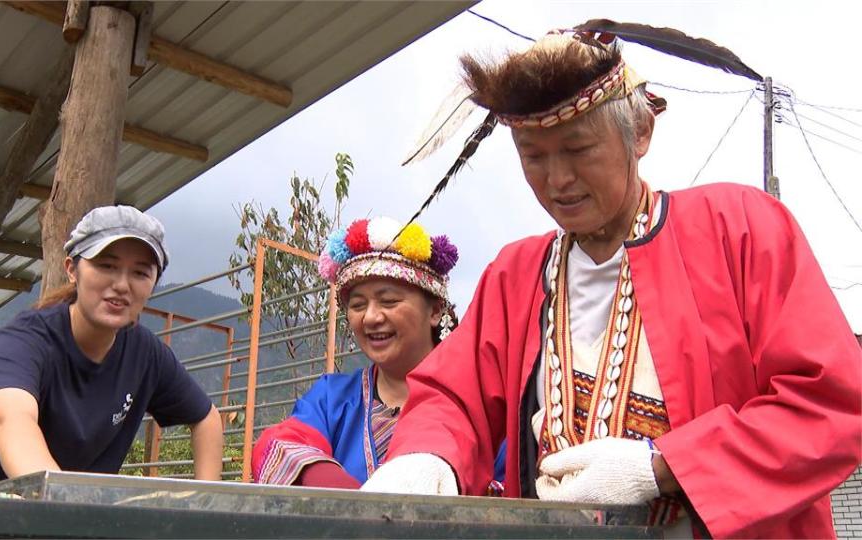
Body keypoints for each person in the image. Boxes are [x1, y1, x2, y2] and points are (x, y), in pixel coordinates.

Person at [360, 28, 862, 538]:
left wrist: (662, 466)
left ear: (639, 133)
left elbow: (832, 404)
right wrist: (426, 458)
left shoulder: (739, 229)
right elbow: (451, 399)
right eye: (534, 156)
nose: (557, 180)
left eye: (578, 148)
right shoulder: (515, 276)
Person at [0, 206, 224, 489]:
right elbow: (11, 420)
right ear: (72, 269)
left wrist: (209, 507)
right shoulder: (25, 340)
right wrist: (63, 505)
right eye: (106, 265)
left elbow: (206, 418)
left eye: (140, 273)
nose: (122, 285)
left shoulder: (146, 354)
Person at [252, 217, 504, 492]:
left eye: (389, 301)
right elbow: (281, 444)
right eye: (358, 305)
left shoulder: (481, 401)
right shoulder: (332, 399)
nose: (371, 317)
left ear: (434, 311)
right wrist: (332, 486)